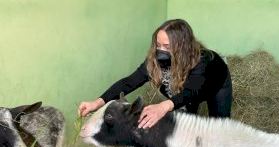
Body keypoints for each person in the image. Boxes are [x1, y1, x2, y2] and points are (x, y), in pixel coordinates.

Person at [78, 19, 232, 129]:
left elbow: (192, 91)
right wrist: (97, 103)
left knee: (219, 125)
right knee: (186, 120)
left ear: (183, 47)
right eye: (158, 45)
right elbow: (129, 82)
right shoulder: (155, 60)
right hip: (185, 88)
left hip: (215, 84)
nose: (160, 51)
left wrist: (163, 106)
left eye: (167, 46)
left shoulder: (202, 61)